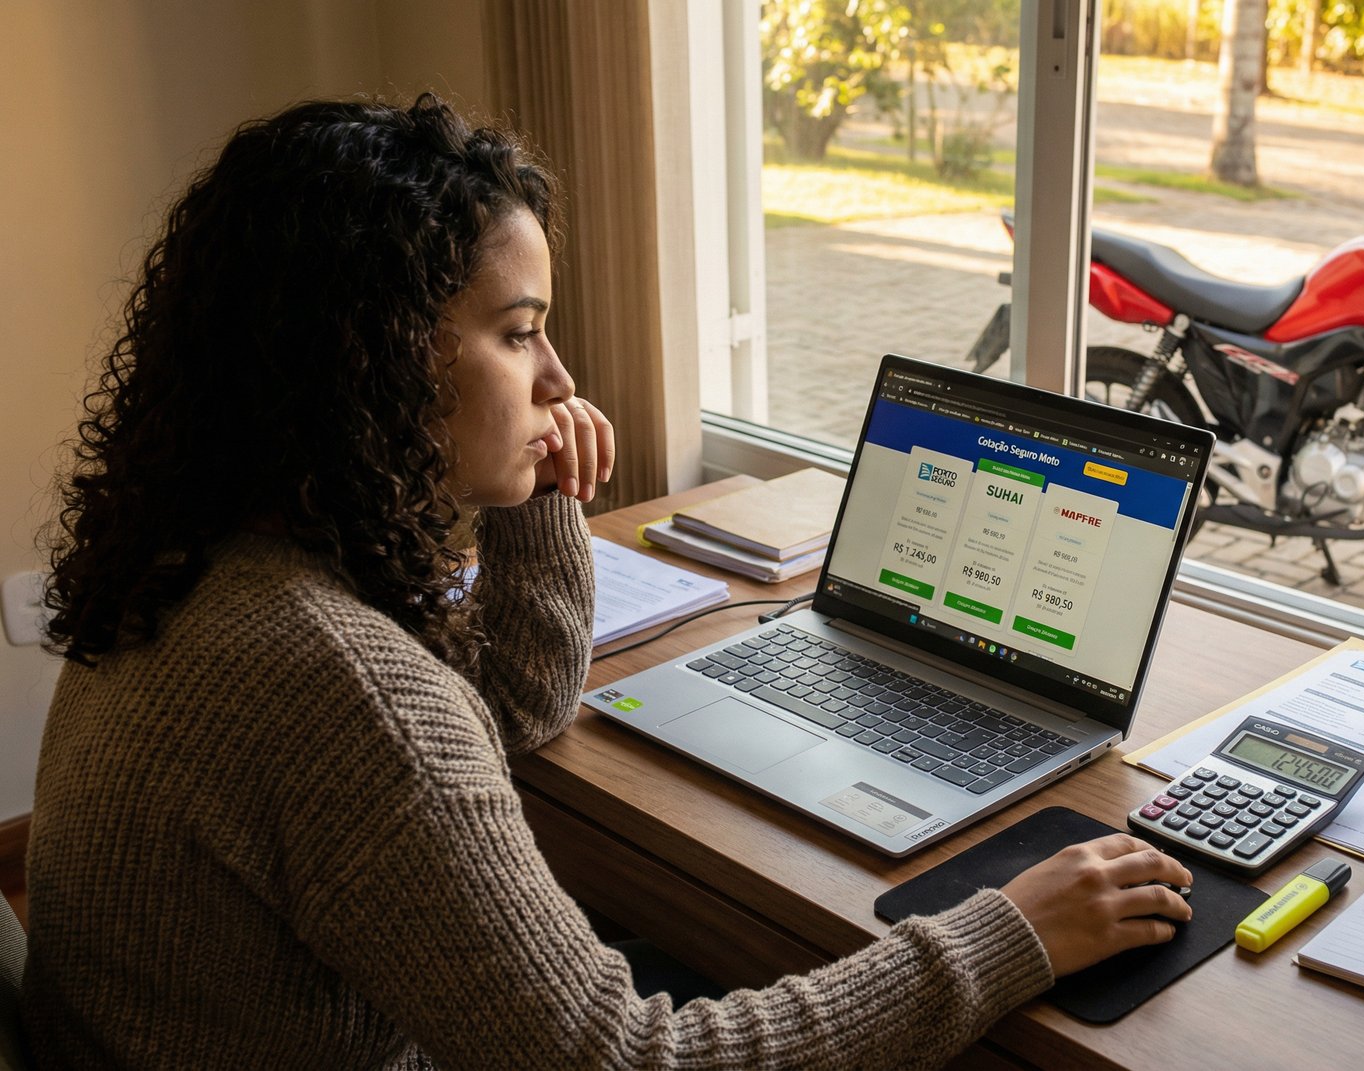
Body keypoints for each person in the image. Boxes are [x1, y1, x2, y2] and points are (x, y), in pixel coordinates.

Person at [24, 95, 1193, 1069]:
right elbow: (631, 1062)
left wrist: (534, 503)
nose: (564, 378)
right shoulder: (336, 684)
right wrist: (1003, 935)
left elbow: (509, 719)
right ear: (369, 354)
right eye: (519, 333)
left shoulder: (211, 554)